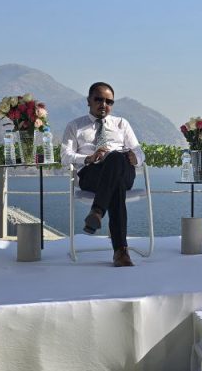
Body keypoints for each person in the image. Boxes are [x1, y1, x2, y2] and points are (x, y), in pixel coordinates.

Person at [61, 82, 146, 267]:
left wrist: (136, 157)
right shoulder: (75, 126)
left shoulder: (122, 124)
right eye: (99, 99)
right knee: (116, 184)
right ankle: (121, 251)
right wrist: (88, 158)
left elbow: (139, 152)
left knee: (116, 158)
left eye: (109, 101)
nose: (104, 104)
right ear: (89, 101)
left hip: (123, 169)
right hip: (92, 173)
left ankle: (97, 211)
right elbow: (65, 156)